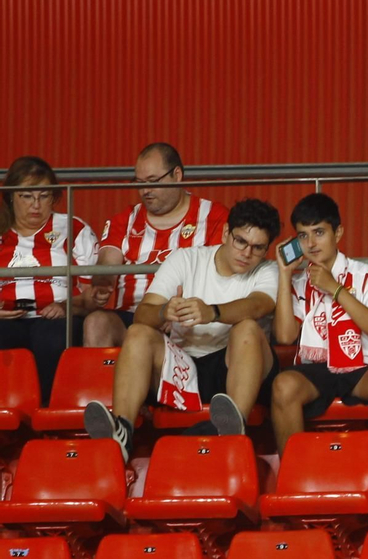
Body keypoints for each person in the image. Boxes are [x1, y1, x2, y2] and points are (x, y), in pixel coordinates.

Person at [83, 199, 282, 459]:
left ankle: (234, 428)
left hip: (235, 368)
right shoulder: (187, 258)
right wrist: (165, 311)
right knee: (138, 332)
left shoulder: (268, 270)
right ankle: (122, 432)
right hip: (184, 367)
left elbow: (258, 305)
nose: (246, 253)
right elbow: (144, 313)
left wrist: (212, 312)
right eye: (240, 241)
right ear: (225, 233)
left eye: (257, 248)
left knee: (246, 328)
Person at [271, 192, 368, 466]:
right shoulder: (297, 283)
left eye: (319, 232)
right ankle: (296, 476)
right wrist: (284, 276)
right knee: (283, 385)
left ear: (338, 232)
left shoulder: (366, 273)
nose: (311, 243)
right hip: (315, 369)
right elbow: (284, 336)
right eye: (303, 235)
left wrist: (334, 288)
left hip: (361, 367)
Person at [83, 143, 226, 349]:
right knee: (96, 322)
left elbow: (220, 278)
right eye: (139, 183)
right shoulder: (124, 220)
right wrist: (103, 281)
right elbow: (107, 260)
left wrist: (180, 311)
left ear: (177, 175)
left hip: (185, 318)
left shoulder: (214, 217)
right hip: (131, 317)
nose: (145, 191)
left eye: (152, 181)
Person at [0, 156, 100, 402]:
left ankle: (49, 413)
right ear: (10, 196)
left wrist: (67, 307)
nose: (36, 205)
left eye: (44, 196)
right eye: (27, 196)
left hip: (59, 318)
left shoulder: (73, 229)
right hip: (7, 319)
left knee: (51, 339)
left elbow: (95, 293)